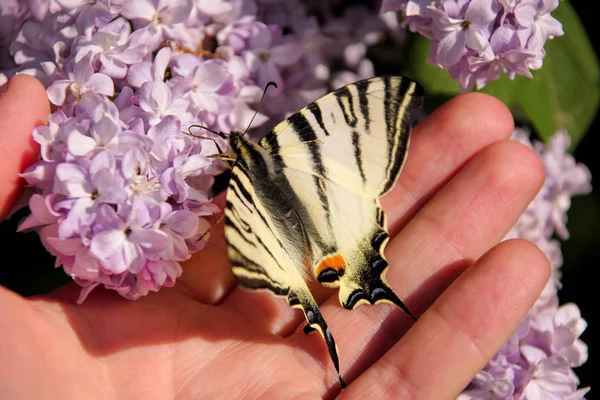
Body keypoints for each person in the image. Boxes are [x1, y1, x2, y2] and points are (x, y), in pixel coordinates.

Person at [0, 75, 549, 399]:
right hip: (328, 218)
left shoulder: (237, 189)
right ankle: (340, 278)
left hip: (287, 235)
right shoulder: (268, 161)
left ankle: (335, 279)